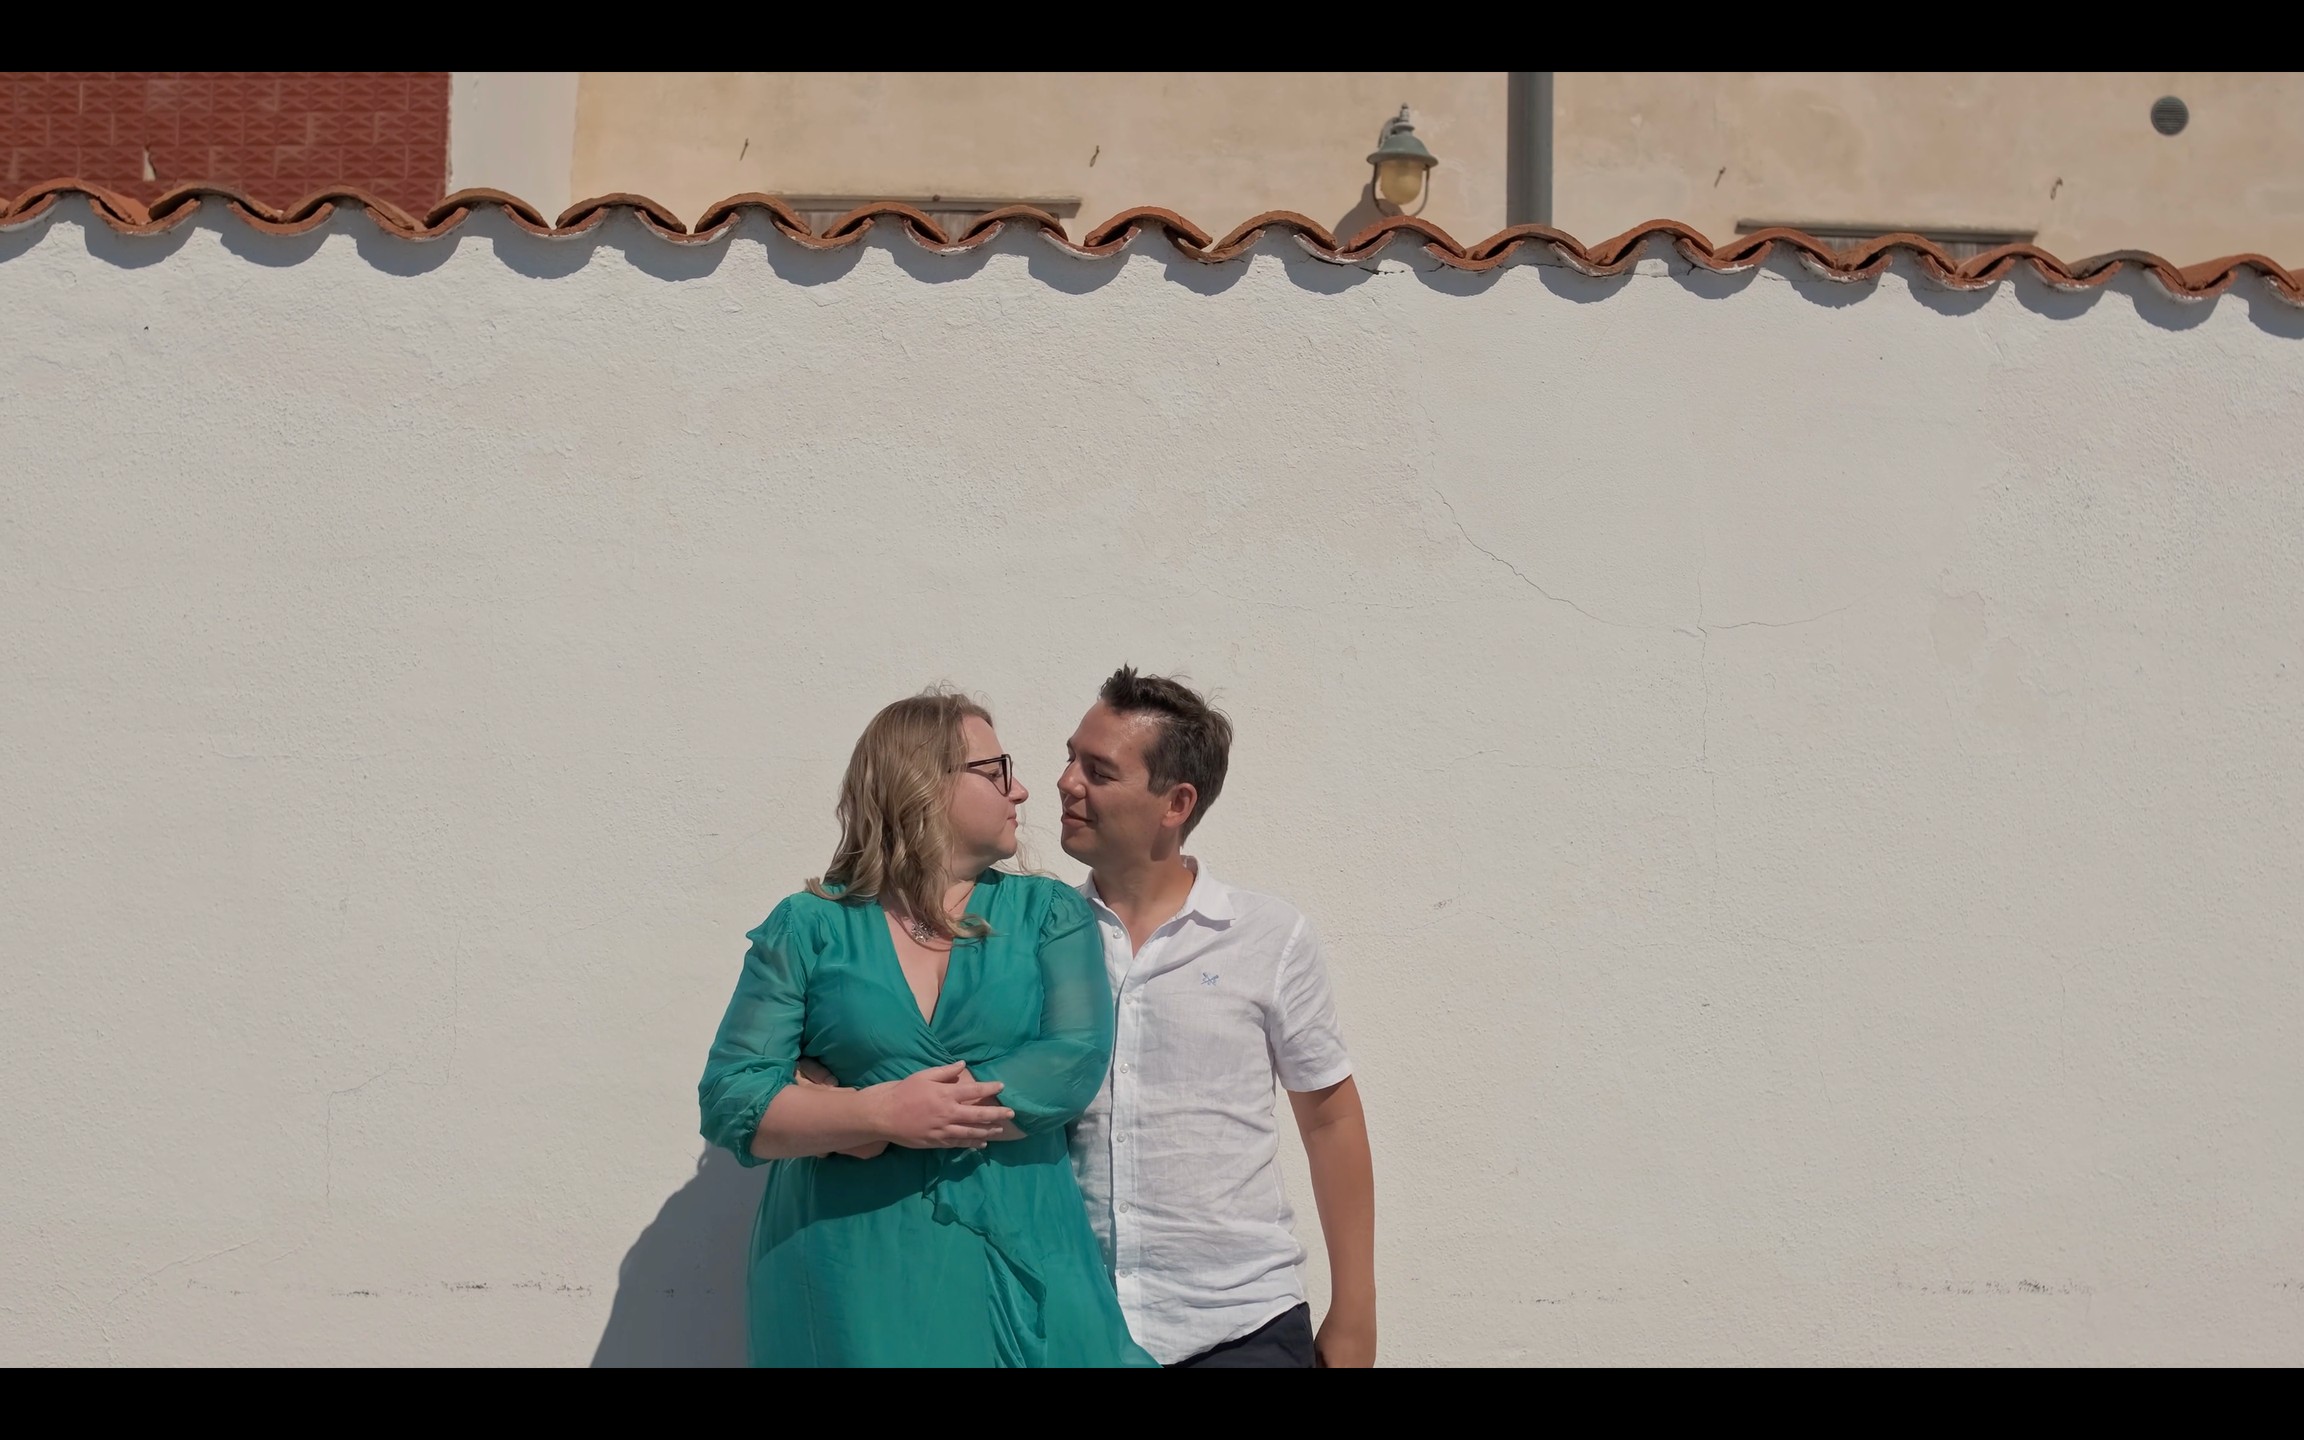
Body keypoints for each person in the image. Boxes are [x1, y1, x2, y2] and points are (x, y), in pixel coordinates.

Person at [697, 690, 1156, 1368]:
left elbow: (1071, 1061)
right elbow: (733, 1096)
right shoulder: (810, 925)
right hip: (852, 1272)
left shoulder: (1047, 914)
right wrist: (879, 1113)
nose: (1021, 791)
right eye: (996, 771)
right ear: (924, 782)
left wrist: (845, 1111)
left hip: (1018, 1246)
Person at [1058, 667, 1378, 1367]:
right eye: (1071, 758)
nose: (1066, 782)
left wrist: (1356, 1313)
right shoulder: (1040, 937)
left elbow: (1330, 1119)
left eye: (1098, 771)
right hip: (1074, 1328)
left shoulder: (1269, 936)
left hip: (1241, 1328)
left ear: (1176, 803)